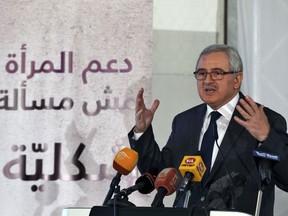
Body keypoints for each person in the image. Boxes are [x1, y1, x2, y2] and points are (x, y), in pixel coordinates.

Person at [127, 44, 288, 216]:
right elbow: (162, 173)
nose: (208, 80)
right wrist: (142, 132)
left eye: (217, 73)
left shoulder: (265, 120)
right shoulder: (185, 121)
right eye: (202, 73)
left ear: (237, 79)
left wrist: (267, 136)